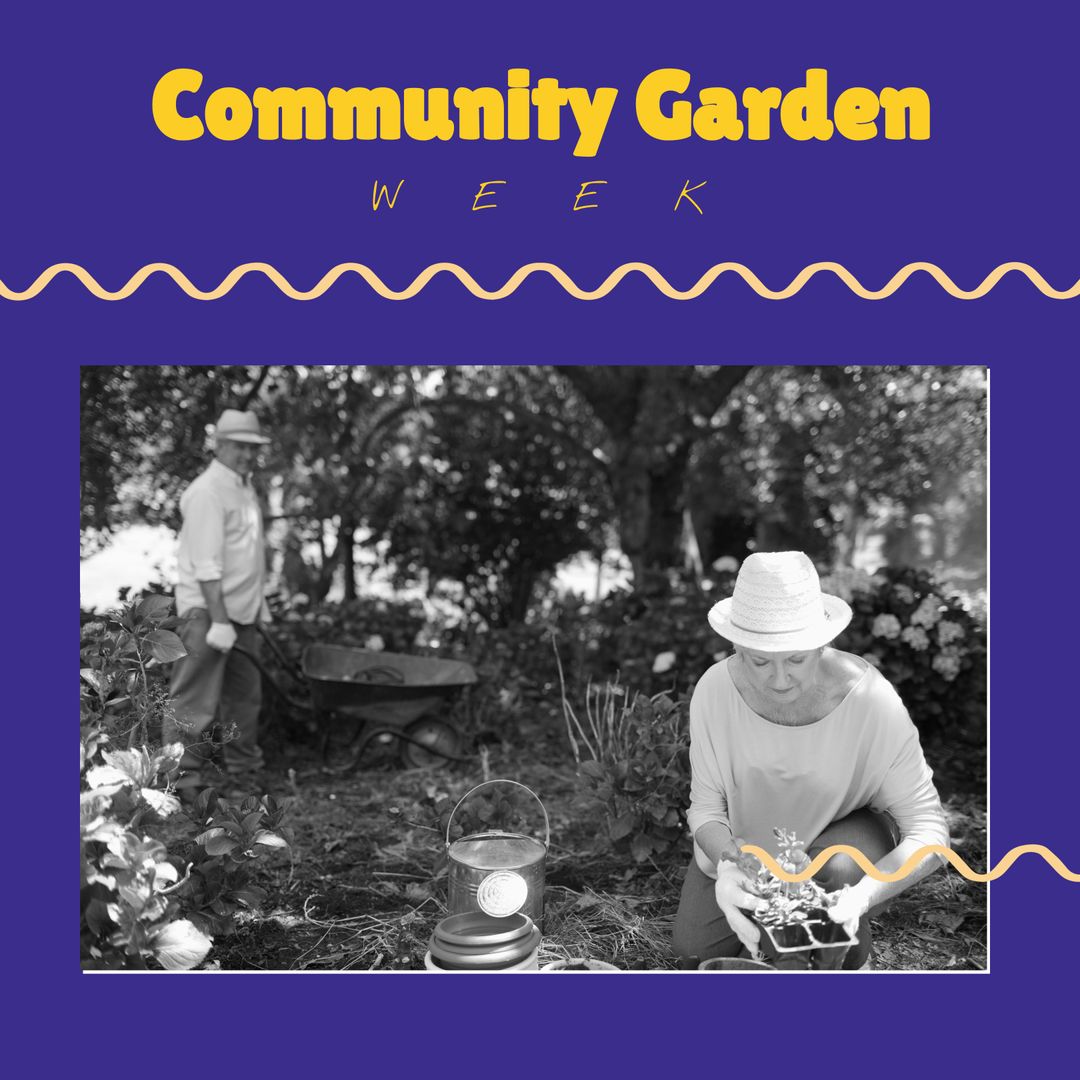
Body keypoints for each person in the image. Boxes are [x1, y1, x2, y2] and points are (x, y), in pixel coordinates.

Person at [671, 551, 949, 970]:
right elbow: (707, 810)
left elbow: (930, 832)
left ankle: (842, 952)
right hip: (753, 855)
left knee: (836, 876)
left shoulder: (871, 701)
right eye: (760, 660)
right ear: (736, 645)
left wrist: (866, 893)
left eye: (796, 659)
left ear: (822, 644)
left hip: (846, 846)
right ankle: (794, 930)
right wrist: (728, 863)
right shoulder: (714, 691)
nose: (779, 681)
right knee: (695, 951)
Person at [165, 409, 271, 796]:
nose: (247, 454)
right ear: (220, 445)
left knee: (245, 697)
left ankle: (244, 771)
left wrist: (252, 610)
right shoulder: (207, 492)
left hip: (240, 615)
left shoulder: (242, 486)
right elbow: (206, 566)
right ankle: (181, 781)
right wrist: (220, 621)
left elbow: (244, 554)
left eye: (252, 447)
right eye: (240, 446)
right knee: (194, 699)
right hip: (208, 615)